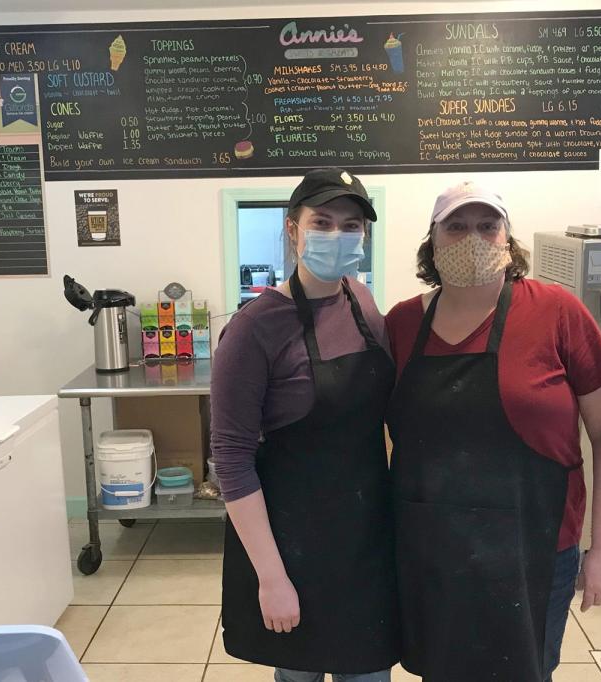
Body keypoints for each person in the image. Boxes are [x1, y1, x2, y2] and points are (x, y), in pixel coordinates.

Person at [384, 181, 601, 682]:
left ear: (508, 239)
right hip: (432, 550)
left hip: (534, 549)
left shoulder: (557, 312)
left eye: (486, 226)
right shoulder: (402, 323)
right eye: (455, 227)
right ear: (432, 241)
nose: (472, 238)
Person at [212, 168, 399, 682]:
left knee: (369, 673)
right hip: (294, 545)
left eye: (352, 224)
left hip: (365, 538)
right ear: (293, 229)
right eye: (323, 221)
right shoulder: (254, 328)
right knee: (299, 674)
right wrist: (272, 578)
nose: (337, 236)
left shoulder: (362, 301)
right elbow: (231, 459)